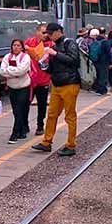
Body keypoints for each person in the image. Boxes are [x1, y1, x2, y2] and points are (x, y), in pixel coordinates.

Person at [33, 23, 81, 157]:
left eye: (51, 33)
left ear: (59, 31)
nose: (49, 35)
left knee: (70, 116)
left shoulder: (69, 43)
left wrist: (55, 53)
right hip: (57, 84)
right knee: (52, 114)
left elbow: (74, 60)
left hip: (70, 83)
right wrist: (43, 65)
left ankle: (71, 145)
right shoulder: (53, 47)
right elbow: (53, 68)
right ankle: (46, 142)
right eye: (48, 33)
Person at [0, 39, 31, 143]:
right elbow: (2, 71)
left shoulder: (25, 57)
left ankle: (15, 133)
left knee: (20, 109)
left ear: (22, 47)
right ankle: (22, 130)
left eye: (18, 45)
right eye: (14, 45)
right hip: (12, 87)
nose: (16, 47)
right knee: (15, 110)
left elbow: (23, 70)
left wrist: (10, 71)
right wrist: (15, 72)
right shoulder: (7, 57)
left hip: (23, 87)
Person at [25, 23, 54, 136]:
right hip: (30, 79)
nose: (45, 35)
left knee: (42, 104)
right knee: (26, 103)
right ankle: (24, 124)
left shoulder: (50, 44)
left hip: (43, 79)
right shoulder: (28, 42)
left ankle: (40, 125)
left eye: (47, 33)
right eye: (43, 32)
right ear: (37, 32)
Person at [89, 28, 112, 95]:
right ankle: (102, 90)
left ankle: (98, 89)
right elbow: (109, 52)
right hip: (104, 61)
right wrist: (110, 62)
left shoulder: (95, 41)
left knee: (98, 75)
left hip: (96, 60)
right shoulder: (104, 41)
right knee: (103, 75)